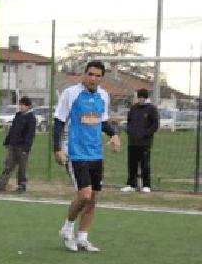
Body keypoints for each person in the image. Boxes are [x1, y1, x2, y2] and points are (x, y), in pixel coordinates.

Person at [54, 61, 121, 252]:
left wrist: (114, 135)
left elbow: (103, 121)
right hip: (75, 153)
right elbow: (59, 121)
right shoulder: (71, 93)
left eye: (97, 75)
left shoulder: (103, 96)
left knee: (93, 199)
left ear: (102, 78)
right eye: (90, 74)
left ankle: (83, 237)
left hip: (96, 154)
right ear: (84, 75)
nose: (93, 78)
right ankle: (67, 228)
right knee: (84, 195)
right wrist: (57, 149)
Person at [0, 96, 37, 192]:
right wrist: (7, 141)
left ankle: (21, 185)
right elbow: (12, 130)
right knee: (8, 165)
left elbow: (30, 135)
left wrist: (26, 148)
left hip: (22, 147)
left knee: (22, 167)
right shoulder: (18, 115)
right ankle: (1, 184)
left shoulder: (31, 118)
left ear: (28, 106)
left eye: (23, 105)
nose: (21, 107)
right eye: (20, 105)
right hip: (13, 145)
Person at [122, 88, 159, 193]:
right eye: (139, 97)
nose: (141, 99)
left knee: (144, 164)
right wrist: (129, 132)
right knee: (132, 164)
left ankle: (146, 185)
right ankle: (131, 185)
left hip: (145, 143)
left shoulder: (151, 109)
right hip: (132, 142)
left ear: (146, 98)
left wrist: (145, 134)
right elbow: (129, 122)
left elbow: (155, 125)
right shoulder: (133, 108)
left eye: (143, 97)